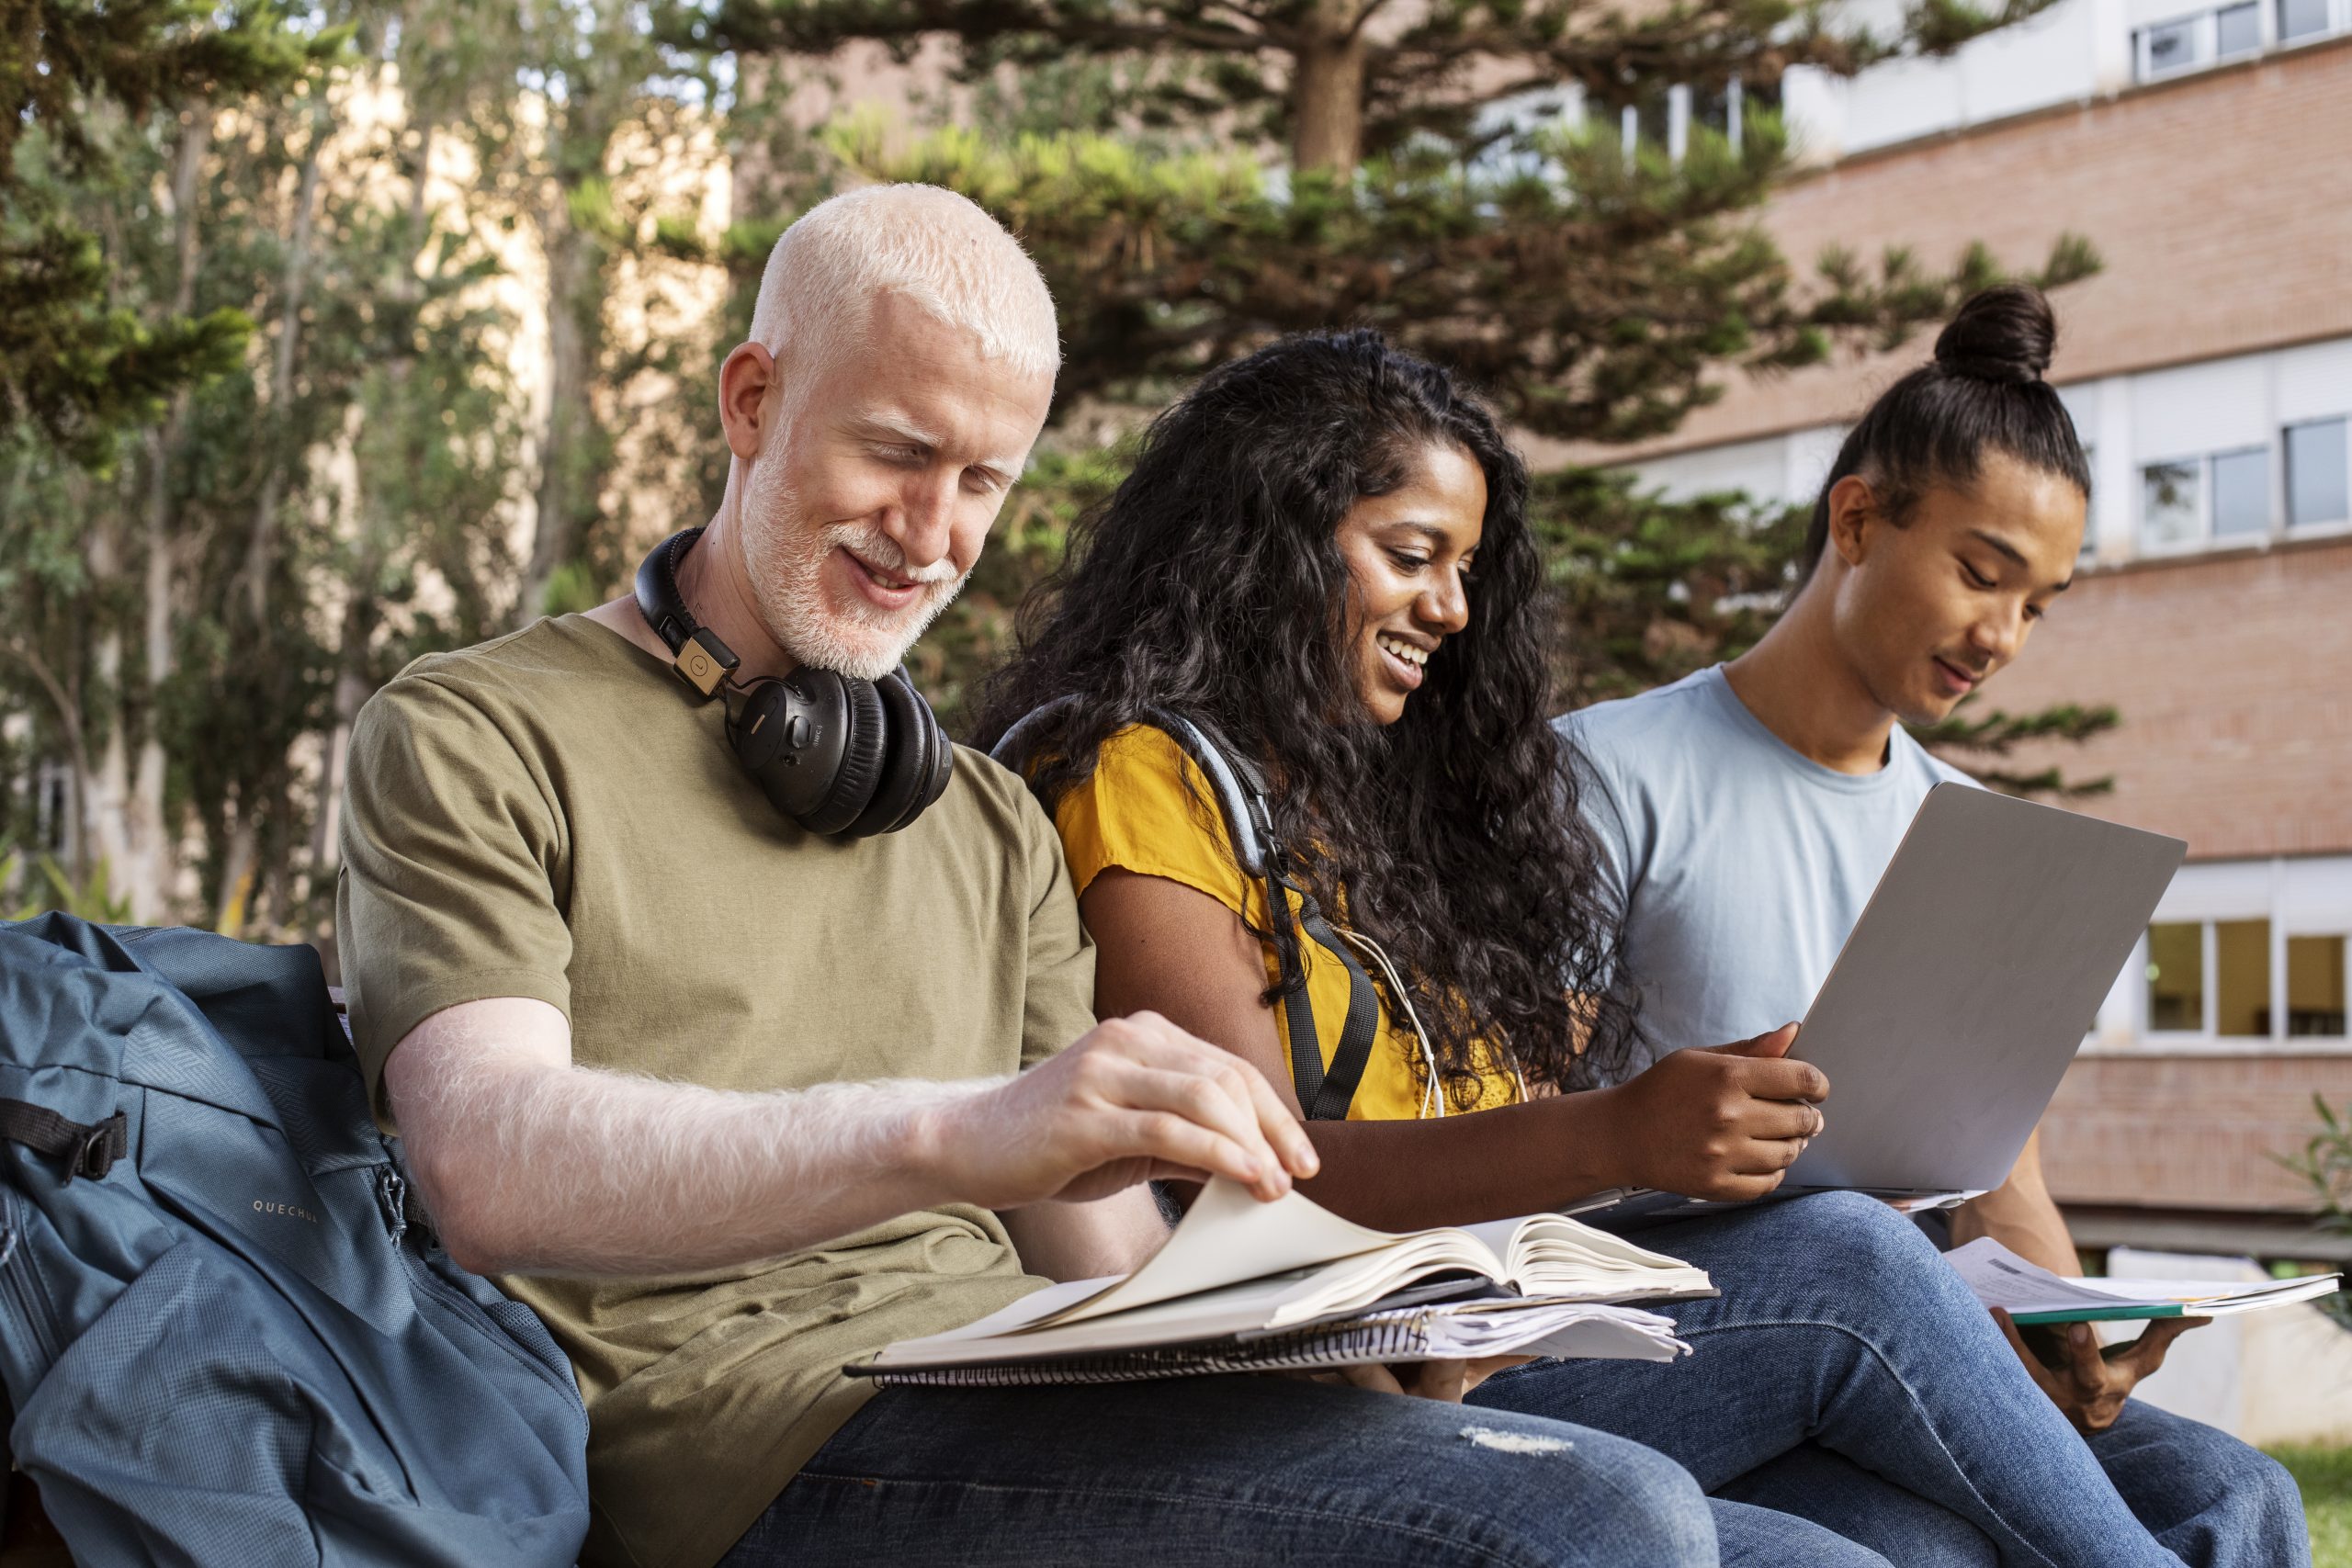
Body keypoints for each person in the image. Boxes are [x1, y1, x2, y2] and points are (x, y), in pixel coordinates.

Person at [335, 183, 1747, 1568]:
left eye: (983, 482)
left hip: (1035, 1381)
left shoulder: (989, 819)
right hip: (747, 1437)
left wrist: (1357, 1357)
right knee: (1607, 1519)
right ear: (752, 400)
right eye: (896, 451)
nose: (931, 531)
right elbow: (486, 1161)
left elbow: (1107, 1255)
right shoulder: (477, 730)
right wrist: (957, 1130)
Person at [975, 325, 2199, 1565]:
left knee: (1907, 1552)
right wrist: (1622, 1134)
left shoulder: (1378, 818)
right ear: (1271, 540)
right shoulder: (1148, 780)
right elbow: (1268, 1169)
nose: (1451, 607)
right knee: (1850, 1257)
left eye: (1465, 569)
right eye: (1413, 556)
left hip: (1517, 1336)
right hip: (1368, 1383)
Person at [1561, 284, 2309, 1567]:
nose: (2003, 637)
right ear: (1858, 518)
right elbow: (1483, 1126)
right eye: (1981, 574)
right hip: (1652, 1348)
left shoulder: (1970, 834)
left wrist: (2069, 1333)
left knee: (2239, 1498)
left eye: (2040, 604)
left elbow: (1997, 1186)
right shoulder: (1604, 775)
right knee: (1854, 1259)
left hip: (1890, 1354)